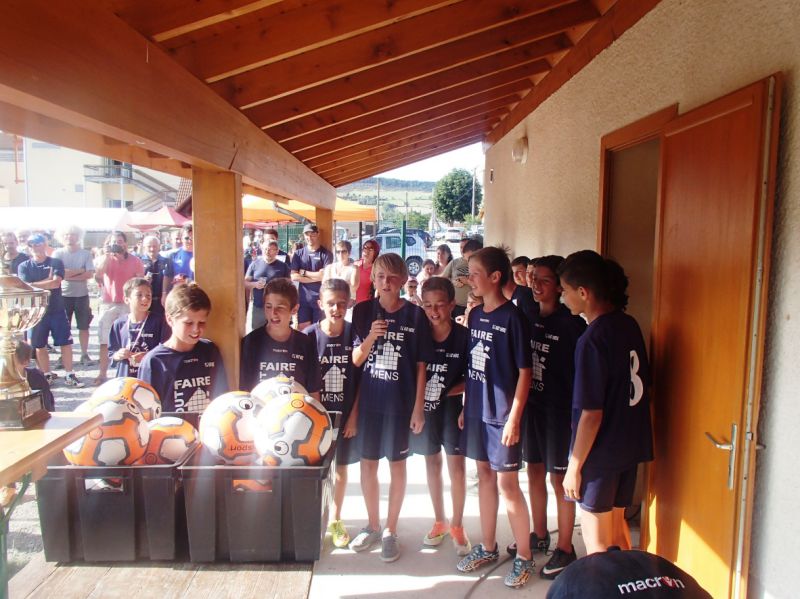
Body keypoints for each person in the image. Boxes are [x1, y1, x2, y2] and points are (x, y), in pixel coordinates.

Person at [557, 250, 653, 555]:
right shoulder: (628, 324)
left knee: (597, 546)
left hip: (599, 454)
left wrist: (574, 467)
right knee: (618, 533)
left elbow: (591, 414)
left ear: (583, 293)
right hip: (627, 447)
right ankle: (627, 581)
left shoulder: (592, 339)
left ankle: (606, 582)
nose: (563, 298)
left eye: (565, 291)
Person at [456, 246, 533, 588]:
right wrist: (465, 406)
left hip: (502, 416)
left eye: (474, 273)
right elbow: (474, 366)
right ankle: (488, 547)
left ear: (495, 277)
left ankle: (525, 556)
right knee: (484, 476)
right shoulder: (474, 315)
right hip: (476, 411)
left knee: (508, 484)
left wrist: (514, 418)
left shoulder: (514, 318)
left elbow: (525, 372)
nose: (468, 279)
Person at [349, 253, 432, 562]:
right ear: (373, 278)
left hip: (400, 403)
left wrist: (418, 408)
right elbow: (356, 360)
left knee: (397, 465)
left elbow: (421, 365)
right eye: (381, 276)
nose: (386, 283)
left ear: (403, 281)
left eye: (393, 277)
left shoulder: (415, 315)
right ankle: (372, 524)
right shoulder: (362, 311)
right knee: (368, 464)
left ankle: (390, 530)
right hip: (370, 402)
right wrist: (371, 336)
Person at [514, 255, 586, 579]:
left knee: (559, 480)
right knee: (533, 471)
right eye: (533, 278)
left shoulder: (572, 325)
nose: (536, 285)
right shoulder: (527, 315)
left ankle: (566, 548)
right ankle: (540, 533)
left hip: (560, 413)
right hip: (533, 407)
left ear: (559, 286)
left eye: (544, 280)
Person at [411, 277, 471, 556]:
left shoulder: (464, 337)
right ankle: (440, 521)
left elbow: (474, 377)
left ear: (452, 304)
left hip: (452, 409)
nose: (434, 312)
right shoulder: (419, 334)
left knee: (456, 468)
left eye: (439, 305)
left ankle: (457, 524)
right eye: (428, 306)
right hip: (425, 409)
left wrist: (455, 397)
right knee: (431, 462)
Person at [304, 279, 361, 549]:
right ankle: (313, 517)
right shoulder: (309, 336)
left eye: (341, 303)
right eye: (330, 304)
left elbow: (362, 379)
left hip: (344, 416)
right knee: (313, 470)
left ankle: (336, 519)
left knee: (340, 470)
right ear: (320, 304)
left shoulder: (354, 333)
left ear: (349, 303)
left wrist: (354, 416)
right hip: (315, 418)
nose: (336, 309)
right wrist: (314, 418)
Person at [138, 283, 228, 412]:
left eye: (201, 322)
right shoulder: (154, 361)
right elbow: (147, 412)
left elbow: (222, 399)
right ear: (170, 319)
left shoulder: (210, 351)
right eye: (188, 323)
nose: (196, 329)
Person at [17, 234, 85, 388]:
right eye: (32, 245)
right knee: (39, 345)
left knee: (65, 343)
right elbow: (25, 287)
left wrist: (35, 284)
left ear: (45, 244)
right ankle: (46, 374)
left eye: (38, 244)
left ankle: (69, 374)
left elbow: (55, 283)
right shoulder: (24, 266)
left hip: (56, 309)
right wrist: (45, 282)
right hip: (36, 312)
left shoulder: (55, 262)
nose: (35, 247)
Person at [239, 277, 321, 397]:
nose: (273, 313)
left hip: (295, 408)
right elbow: (244, 392)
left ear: (294, 309)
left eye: (280, 307)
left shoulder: (306, 344)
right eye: (268, 306)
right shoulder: (251, 342)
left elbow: (313, 393)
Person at [1, 341, 55, 508]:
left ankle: (44, 489)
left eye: (9, 362)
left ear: (25, 362)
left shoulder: (35, 377)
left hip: (33, 428)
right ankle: (8, 486)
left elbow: (46, 406)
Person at [94, 231, 144, 385]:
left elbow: (140, 281)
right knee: (104, 340)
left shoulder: (135, 260)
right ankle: (102, 373)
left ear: (125, 243)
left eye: (120, 241)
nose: (117, 244)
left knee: (130, 339)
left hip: (128, 304)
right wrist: (106, 255)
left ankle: (129, 373)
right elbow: (98, 276)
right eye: (114, 241)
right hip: (109, 303)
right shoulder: (105, 259)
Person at [109, 278, 170, 379]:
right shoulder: (119, 324)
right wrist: (117, 355)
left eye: (148, 295)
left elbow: (166, 351)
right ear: (127, 299)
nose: (145, 299)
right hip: (126, 378)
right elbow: (111, 352)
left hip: (151, 377)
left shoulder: (160, 322)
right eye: (139, 295)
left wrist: (147, 356)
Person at [53, 225, 96, 365]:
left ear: (78, 236)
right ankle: (63, 355)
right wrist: (80, 271)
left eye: (72, 234)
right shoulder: (58, 253)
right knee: (64, 327)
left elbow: (89, 274)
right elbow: (58, 274)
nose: (69, 237)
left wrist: (68, 274)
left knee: (84, 326)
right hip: (63, 295)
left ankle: (84, 354)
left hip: (82, 295)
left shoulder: (86, 254)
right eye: (66, 234)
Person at [290, 223, 333, 330]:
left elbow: (324, 276)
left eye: (312, 234)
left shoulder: (326, 254)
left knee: (319, 330)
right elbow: (294, 276)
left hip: (320, 300)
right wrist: (317, 276)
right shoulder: (298, 254)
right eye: (307, 234)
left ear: (317, 234)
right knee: (303, 331)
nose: (309, 237)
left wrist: (304, 272)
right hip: (303, 300)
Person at [244, 240, 291, 333]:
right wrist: (254, 284)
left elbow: (289, 285)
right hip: (259, 306)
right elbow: (245, 282)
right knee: (257, 334)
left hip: (277, 307)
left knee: (277, 333)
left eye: (270, 250)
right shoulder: (254, 264)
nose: (267, 252)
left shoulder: (283, 266)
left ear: (277, 251)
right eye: (265, 249)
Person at [442, 238, 482, 318]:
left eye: (465, 247)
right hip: (456, 305)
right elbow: (443, 279)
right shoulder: (455, 262)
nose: (463, 249)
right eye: (461, 247)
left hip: (475, 305)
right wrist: (453, 282)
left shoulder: (480, 265)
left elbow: (483, 284)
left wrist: (467, 281)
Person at [140, 234, 173, 315]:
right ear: (144, 247)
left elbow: (170, 279)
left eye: (154, 246)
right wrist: (143, 280)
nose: (152, 249)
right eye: (149, 246)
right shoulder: (139, 261)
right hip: (144, 301)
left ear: (159, 247)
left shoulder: (166, 261)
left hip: (162, 300)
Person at [322, 240, 359, 304]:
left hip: (347, 304)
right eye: (338, 252)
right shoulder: (329, 267)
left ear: (349, 253)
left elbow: (353, 287)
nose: (340, 254)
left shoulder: (354, 268)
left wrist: (332, 283)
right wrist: (346, 283)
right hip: (332, 303)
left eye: (343, 251)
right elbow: (325, 286)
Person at [353, 239, 379, 304]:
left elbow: (377, 289)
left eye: (370, 249)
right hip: (351, 304)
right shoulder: (355, 264)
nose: (367, 251)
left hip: (366, 305)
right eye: (365, 248)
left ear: (375, 252)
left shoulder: (376, 268)